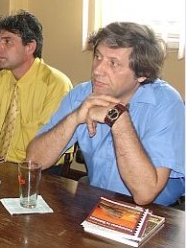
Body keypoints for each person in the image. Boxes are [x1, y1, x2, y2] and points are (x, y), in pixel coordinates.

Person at [26, 22, 185, 206]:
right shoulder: (82, 94)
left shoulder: (166, 103)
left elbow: (144, 194)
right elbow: (33, 161)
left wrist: (118, 118)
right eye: (98, 57)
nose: (97, 70)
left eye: (113, 63)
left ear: (143, 74)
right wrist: (75, 118)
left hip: (157, 214)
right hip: (99, 202)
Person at [0, 11, 72, 164]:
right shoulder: (0, 81)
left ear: (30, 47)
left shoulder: (55, 85)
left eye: (7, 41)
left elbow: (45, 155)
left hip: (40, 171)